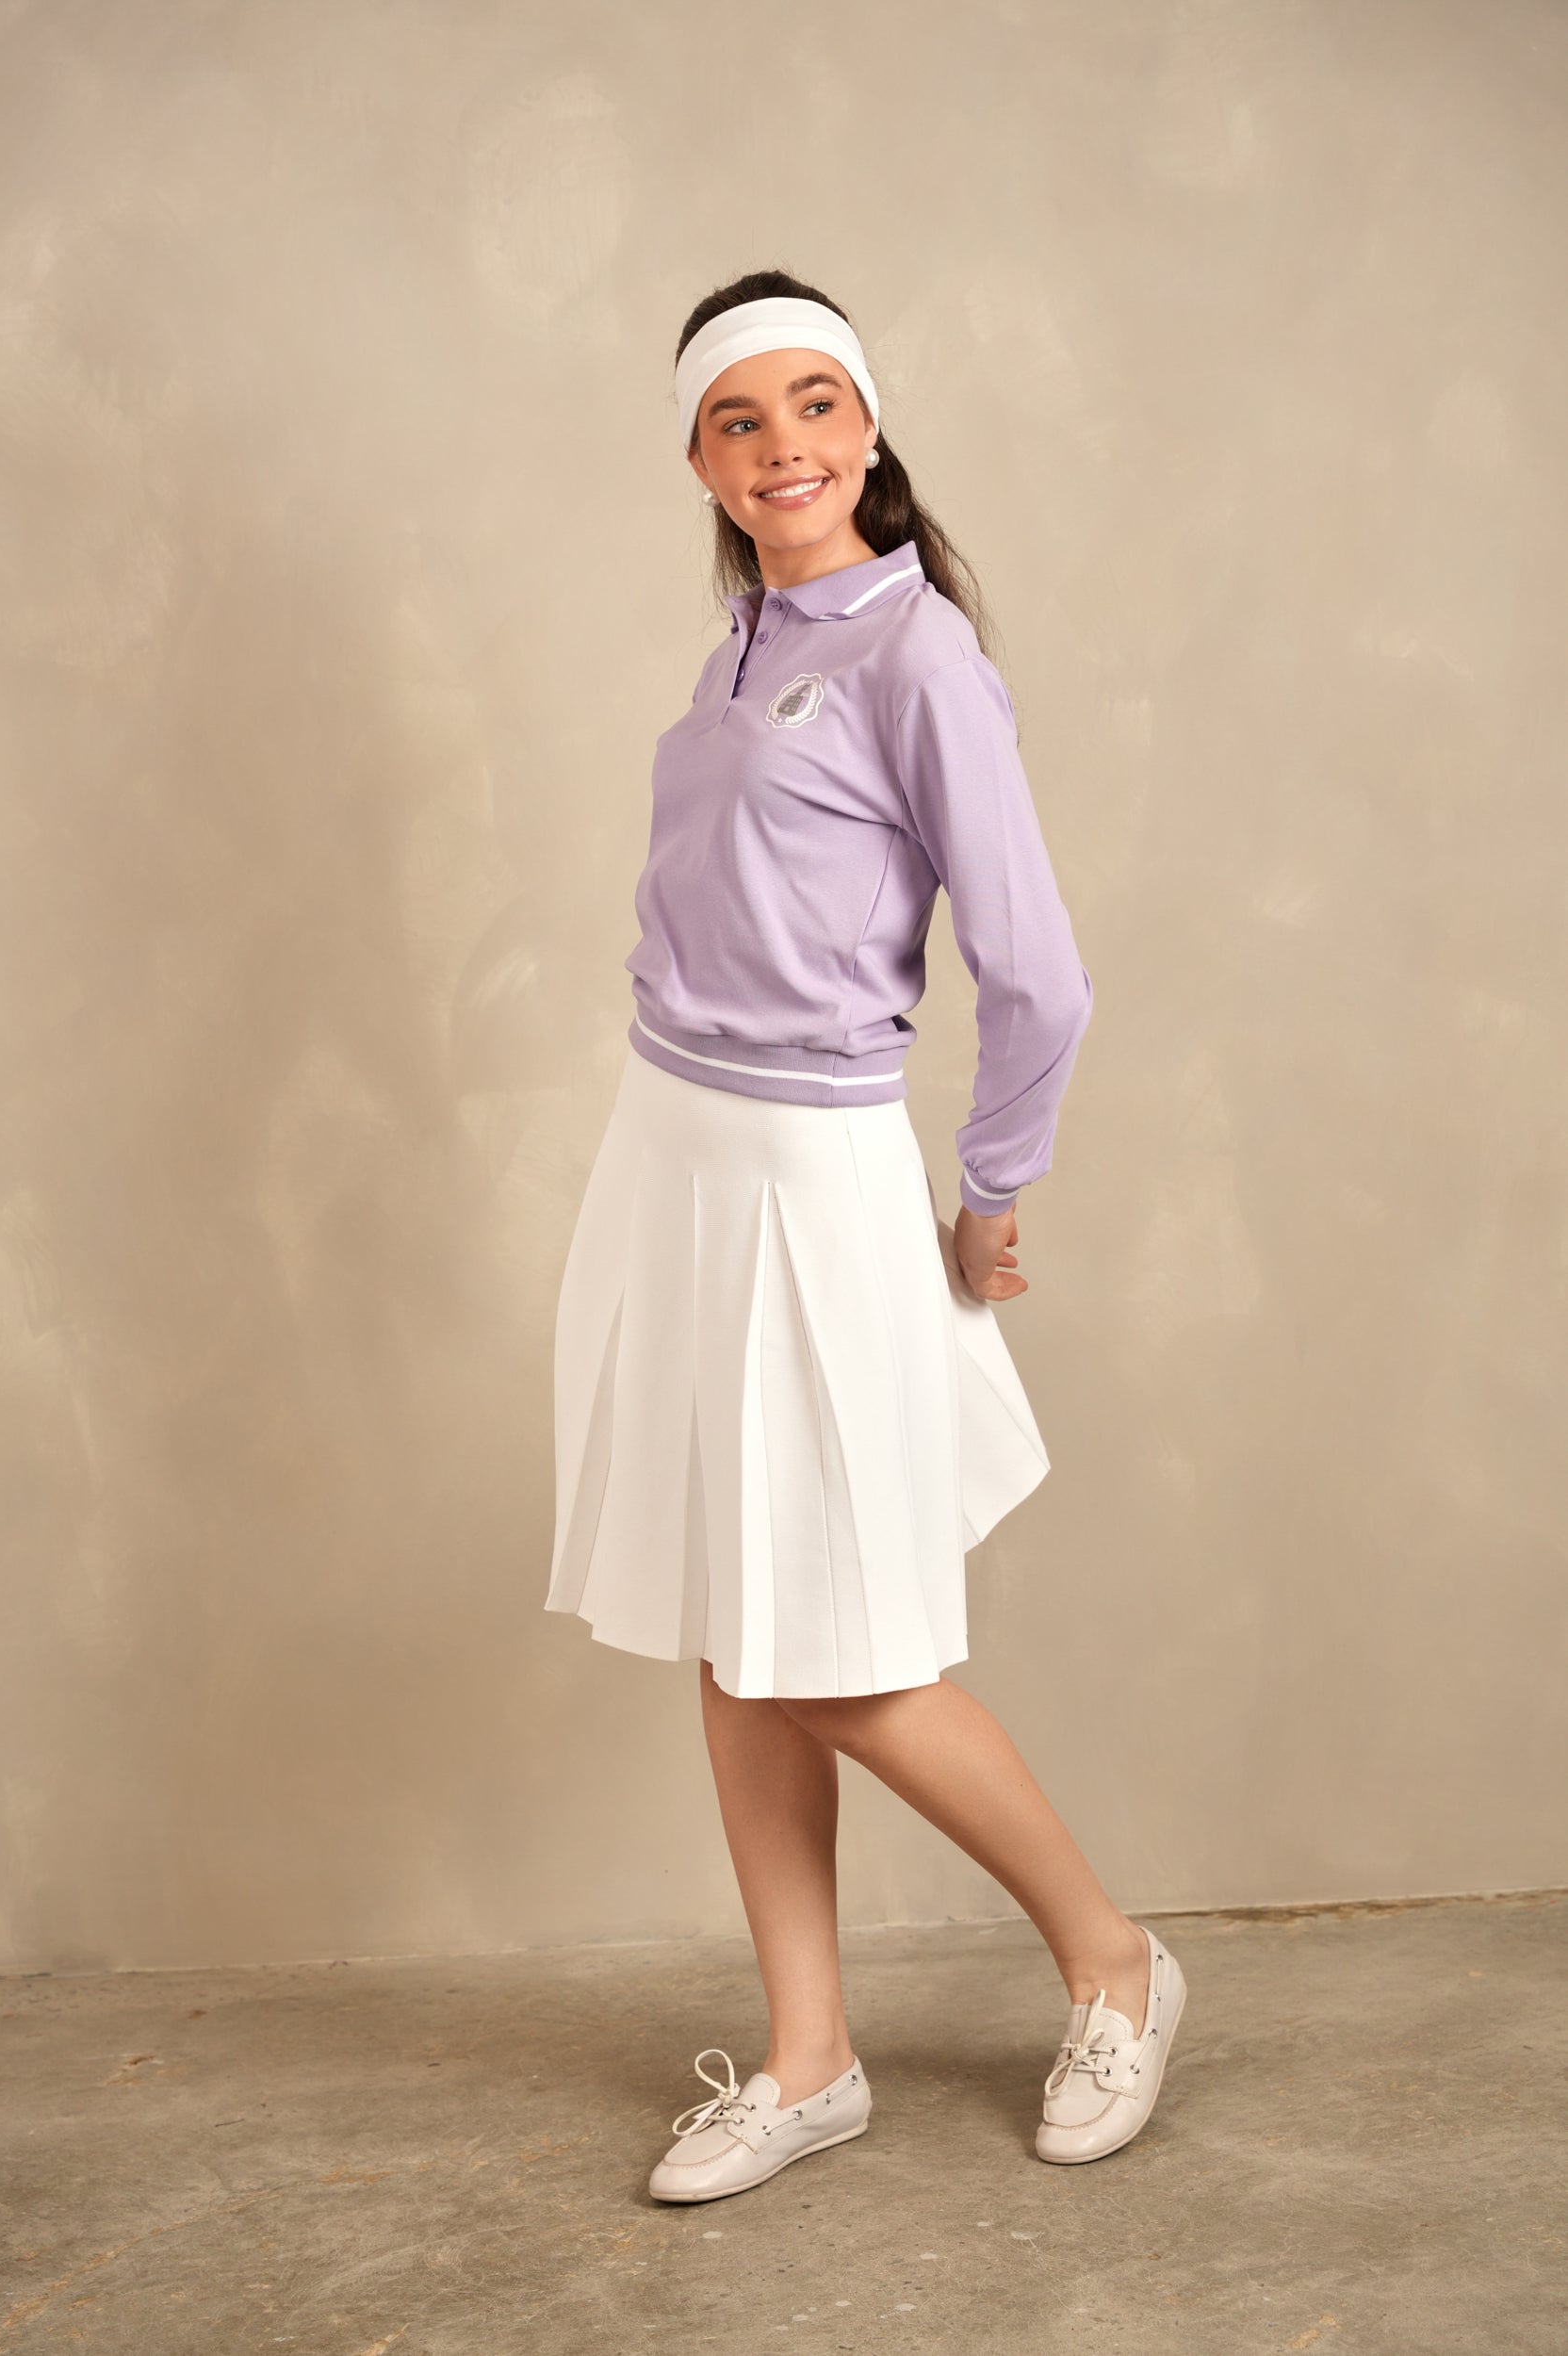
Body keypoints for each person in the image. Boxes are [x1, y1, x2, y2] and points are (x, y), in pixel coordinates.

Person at [545, 270, 1185, 2203]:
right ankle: (811, 2057)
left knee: (838, 1646)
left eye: (817, 404)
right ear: (698, 459)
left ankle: (1115, 1960)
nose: (786, 446)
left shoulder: (918, 655)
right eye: (740, 419)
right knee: (738, 1630)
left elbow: (1038, 974)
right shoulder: (745, 642)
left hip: (811, 1176)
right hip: (675, 1154)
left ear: (872, 425)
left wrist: (992, 1189)